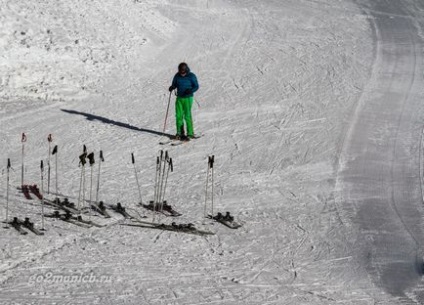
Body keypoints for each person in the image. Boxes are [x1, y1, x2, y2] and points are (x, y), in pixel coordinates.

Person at [169, 63, 199, 141]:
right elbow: (174, 84)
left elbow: (196, 86)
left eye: (183, 71)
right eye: (180, 71)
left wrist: (190, 90)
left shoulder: (191, 76)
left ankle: (190, 133)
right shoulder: (177, 76)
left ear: (186, 70)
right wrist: (172, 87)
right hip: (179, 98)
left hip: (188, 98)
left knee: (187, 115)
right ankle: (180, 133)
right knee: (178, 115)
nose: (182, 73)